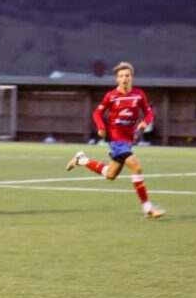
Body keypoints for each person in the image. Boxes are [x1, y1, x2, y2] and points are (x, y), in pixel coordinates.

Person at [66, 61, 165, 218]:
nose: (124, 79)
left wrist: (145, 122)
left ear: (132, 77)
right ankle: (147, 208)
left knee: (110, 175)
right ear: (117, 79)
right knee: (137, 168)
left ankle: (82, 160)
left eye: (127, 75)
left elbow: (149, 113)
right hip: (115, 138)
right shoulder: (111, 96)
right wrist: (101, 127)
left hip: (128, 140)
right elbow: (97, 114)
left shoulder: (139, 94)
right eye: (121, 76)